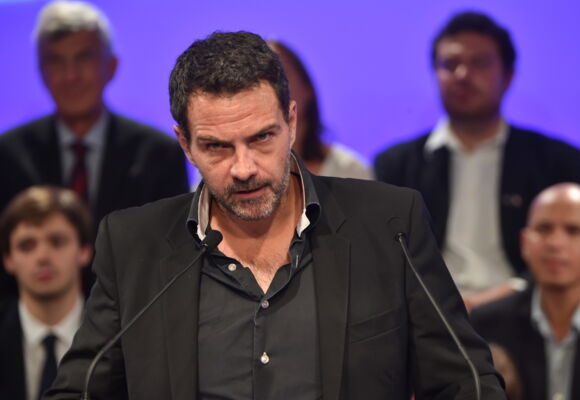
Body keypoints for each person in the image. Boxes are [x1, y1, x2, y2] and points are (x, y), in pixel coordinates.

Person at [45, 31, 505, 399]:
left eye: (262, 138)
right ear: (185, 144)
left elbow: (468, 381)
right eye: (217, 147)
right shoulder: (133, 245)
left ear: (292, 122)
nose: (244, 168)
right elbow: (78, 390)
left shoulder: (389, 224)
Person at [374, 11, 580, 309]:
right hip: (426, 313)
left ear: (508, 76)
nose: (462, 74)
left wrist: (498, 300)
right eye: (450, 64)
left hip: (527, 310)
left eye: (480, 63)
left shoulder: (555, 161)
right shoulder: (396, 165)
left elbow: (577, 253)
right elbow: (384, 259)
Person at [0, 0, 188, 300]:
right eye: (56, 61)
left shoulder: (159, 154)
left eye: (84, 58)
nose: (70, 75)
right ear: (41, 72)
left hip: (133, 316)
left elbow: (172, 259)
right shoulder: (8, 155)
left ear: (110, 67)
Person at [470, 183, 580, 400]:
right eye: (544, 229)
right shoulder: (485, 325)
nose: (555, 243)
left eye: (573, 230)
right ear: (524, 243)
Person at [0, 186, 92, 400]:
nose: (42, 256)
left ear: (85, 251)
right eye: (27, 246)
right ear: (8, 260)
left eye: (57, 242)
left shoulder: (121, 337)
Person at [267, 40, 374, 180]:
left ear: (307, 88)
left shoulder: (350, 169)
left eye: (279, 76)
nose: (270, 89)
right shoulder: (247, 171)